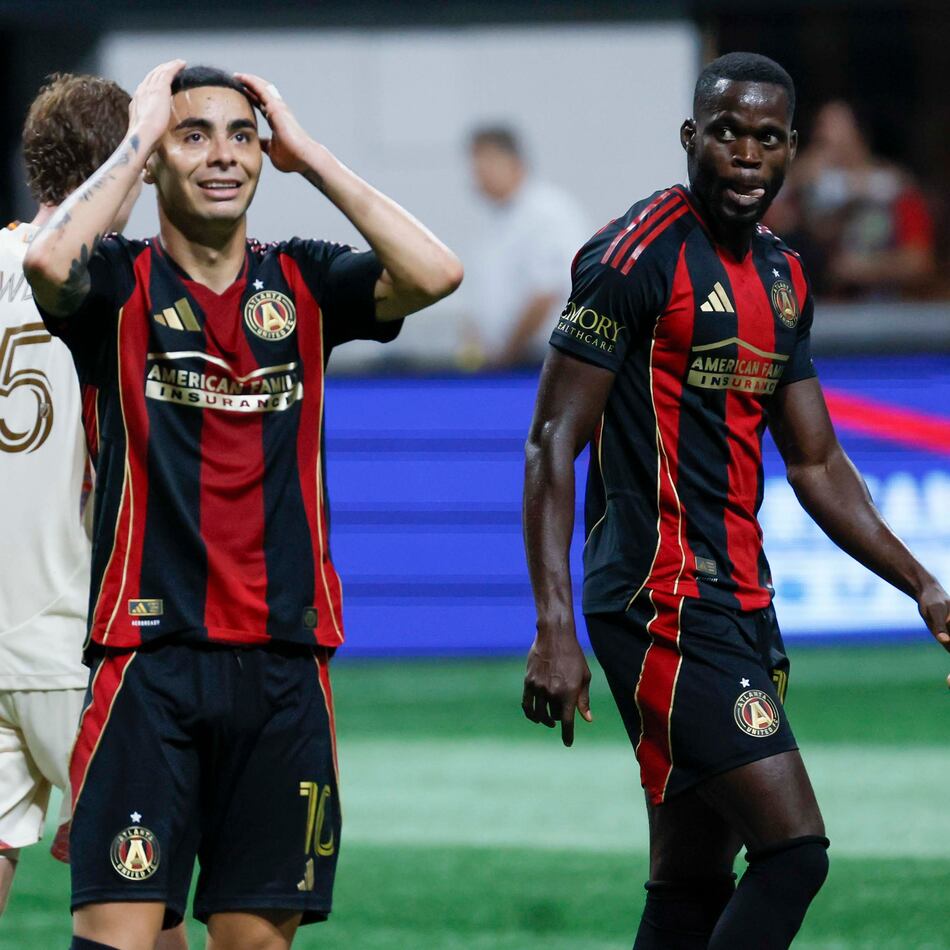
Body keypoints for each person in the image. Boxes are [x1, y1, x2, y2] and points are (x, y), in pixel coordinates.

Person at [24, 61, 461, 950]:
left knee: (254, 944)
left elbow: (437, 271)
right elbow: (47, 259)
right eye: (195, 136)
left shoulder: (302, 281)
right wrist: (138, 135)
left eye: (243, 136)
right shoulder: (117, 287)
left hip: (284, 669)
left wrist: (313, 156)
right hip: (148, 663)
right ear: (154, 158)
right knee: (112, 940)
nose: (223, 156)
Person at [521, 52, 950, 949]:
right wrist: (554, 626)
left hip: (743, 603)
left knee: (689, 884)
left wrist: (923, 584)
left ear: (790, 148)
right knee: (795, 853)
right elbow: (552, 440)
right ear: (691, 138)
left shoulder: (785, 277)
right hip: (659, 596)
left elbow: (819, 461)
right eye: (726, 133)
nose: (746, 156)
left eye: (766, 138)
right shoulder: (628, 258)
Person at [766, 100, 936, 299]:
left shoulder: (895, 189)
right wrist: (796, 180)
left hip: (889, 314)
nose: (823, 136)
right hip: (823, 313)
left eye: (834, 127)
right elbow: (769, 232)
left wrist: (864, 268)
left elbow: (920, 262)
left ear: (859, 134)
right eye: (820, 128)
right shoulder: (807, 190)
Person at [462, 125, 587, 368]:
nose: (477, 176)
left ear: (513, 162)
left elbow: (546, 293)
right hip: (509, 360)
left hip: (540, 360)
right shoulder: (498, 220)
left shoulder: (546, 212)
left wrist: (508, 354)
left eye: (484, 165)